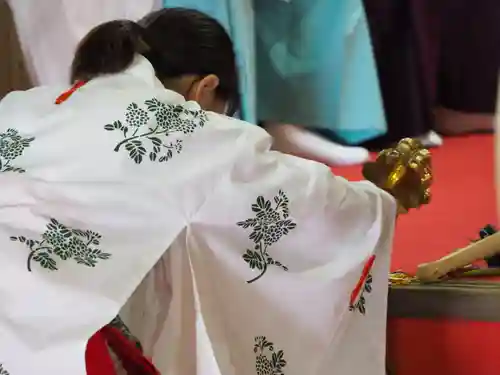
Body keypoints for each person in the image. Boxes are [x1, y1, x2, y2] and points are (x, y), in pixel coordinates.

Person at [0, 8, 430, 375]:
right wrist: (382, 196)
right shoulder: (187, 129)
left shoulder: (26, 106)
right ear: (205, 88)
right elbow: (305, 203)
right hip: (47, 338)